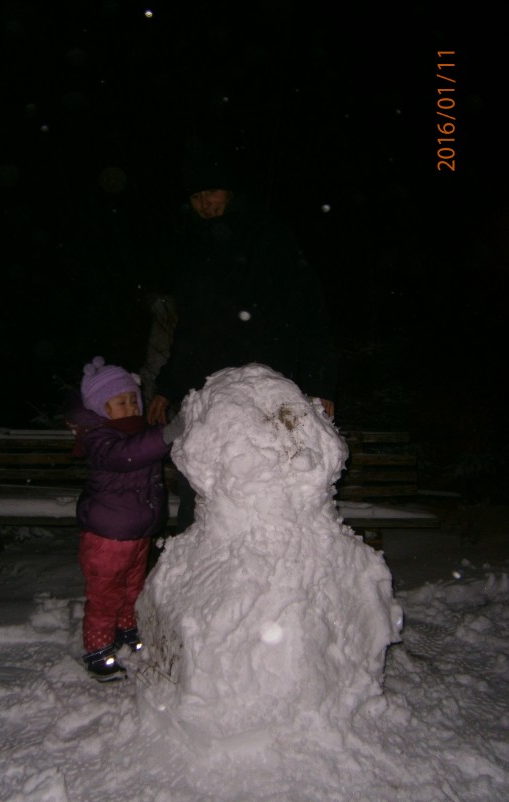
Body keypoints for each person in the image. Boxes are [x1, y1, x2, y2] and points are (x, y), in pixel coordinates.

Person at [147, 145, 337, 531]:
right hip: (205, 393)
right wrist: (168, 386)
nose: (205, 204)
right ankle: (199, 579)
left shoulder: (268, 236)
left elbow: (310, 310)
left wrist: (320, 381)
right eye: (196, 196)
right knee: (198, 492)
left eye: (212, 193)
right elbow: (191, 329)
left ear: (230, 192)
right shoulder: (194, 249)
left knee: (261, 493)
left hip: (263, 389)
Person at [65, 356, 183, 682]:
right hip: (107, 536)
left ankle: (128, 631)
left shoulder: (137, 431)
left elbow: (147, 449)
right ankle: (99, 651)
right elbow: (126, 455)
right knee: (105, 594)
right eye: (120, 402)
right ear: (101, 407)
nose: (131, 406)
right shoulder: (100, 437)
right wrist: (166, 435)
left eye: (134, 399)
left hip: (135, 533)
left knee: (132, 587)